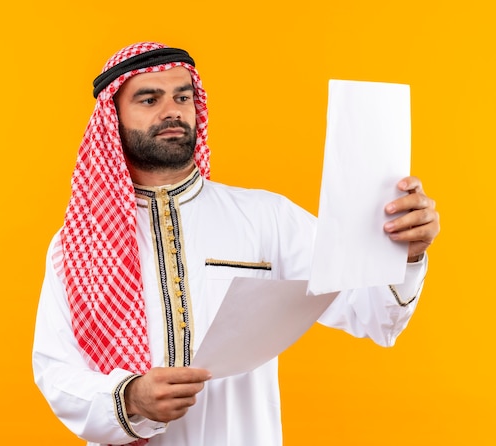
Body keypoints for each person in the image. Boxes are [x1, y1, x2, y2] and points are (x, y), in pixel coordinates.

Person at [32, 42, 440, 446]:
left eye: (182, 96)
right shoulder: (77, 245)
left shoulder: (267, 218)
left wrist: (406, 253)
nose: (172, 110)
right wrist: (131, 396)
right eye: (149, 99)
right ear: (112, 119)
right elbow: (56, 371)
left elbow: (371, 313)